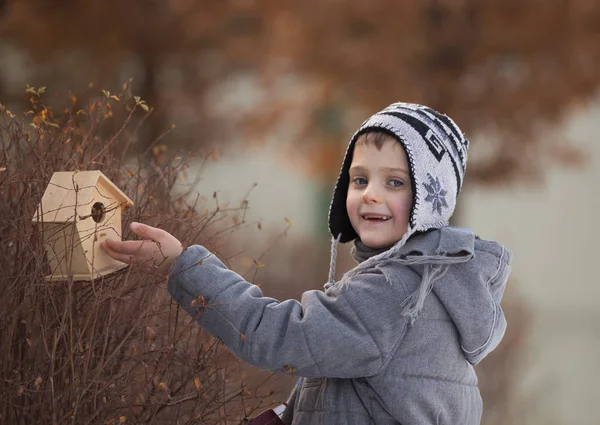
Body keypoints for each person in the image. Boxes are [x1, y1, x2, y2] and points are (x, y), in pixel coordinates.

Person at [101, 102, 512, 425]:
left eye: (395, 182)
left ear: (431, 203)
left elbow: (279, 337)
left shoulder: (395, 293)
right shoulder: (433, 286)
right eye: (359, 179)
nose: (370, 194)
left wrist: (183, 266)